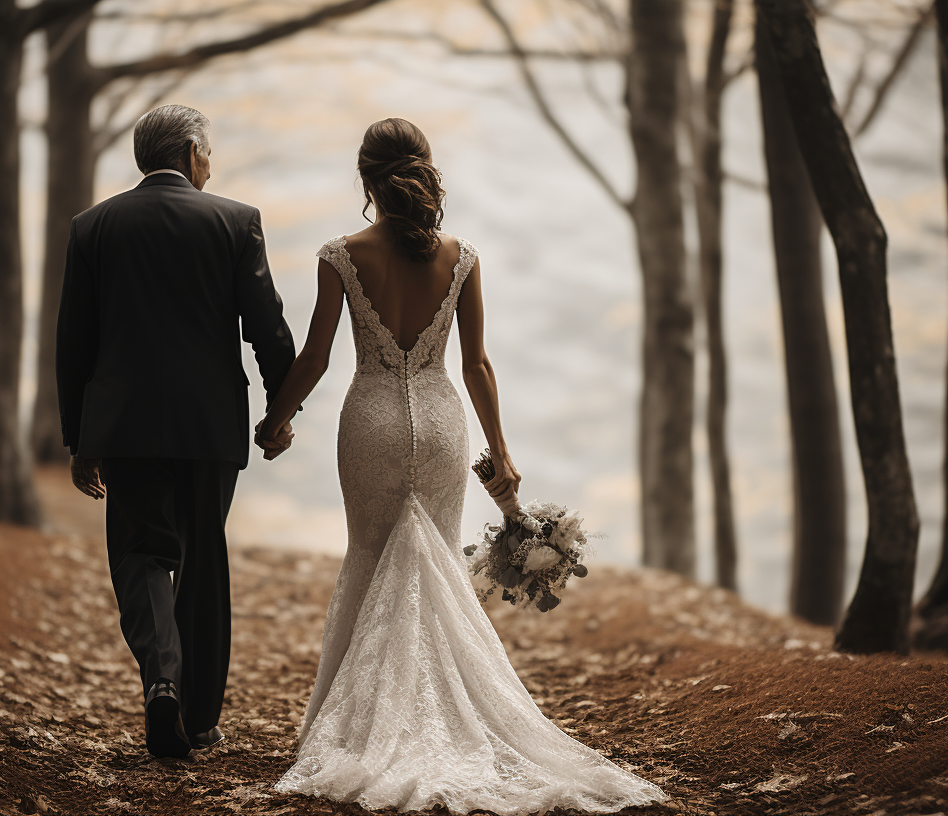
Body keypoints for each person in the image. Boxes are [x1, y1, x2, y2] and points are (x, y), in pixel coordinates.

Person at [255, 118, 666, 814]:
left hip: (370, 422)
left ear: (365, 180)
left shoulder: (338, 256)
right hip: (445, 425)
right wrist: (501, 451)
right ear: (424, 174)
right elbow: (476, 362)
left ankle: (356, 724)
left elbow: (318, 357)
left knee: (370, 555)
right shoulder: (462, 257)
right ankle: (442, 714)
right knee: (434, 560)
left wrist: (276, 418)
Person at [55, 104, 297, 759]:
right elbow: (267, 327)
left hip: (126, 426)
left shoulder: (93, 228)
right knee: (202, 562)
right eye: (209, 152)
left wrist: (80, 439)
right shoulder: (234, 222)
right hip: (207, 424)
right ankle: (200, 718)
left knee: (142, 556)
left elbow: (73, 341)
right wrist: (280, 413)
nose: (211, 164)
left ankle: (161, 679)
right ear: (192, 152)